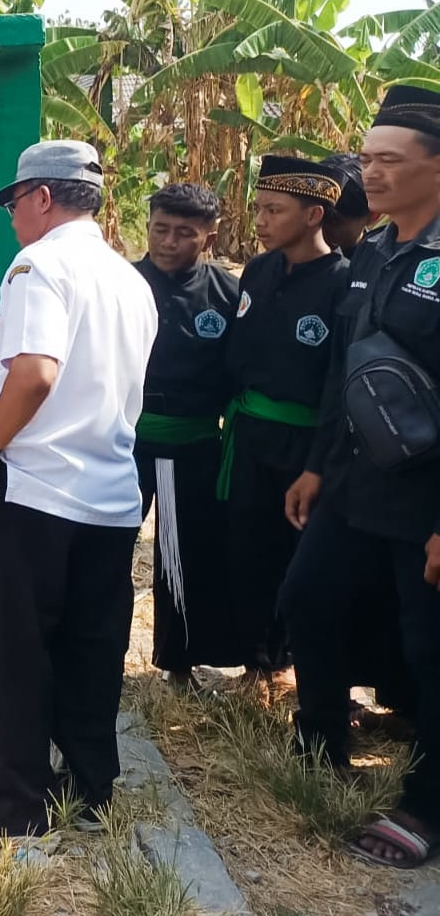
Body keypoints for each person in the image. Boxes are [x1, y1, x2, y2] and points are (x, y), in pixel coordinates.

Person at [0, 140, 157, 842]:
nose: (13, 217)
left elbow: (35, 371)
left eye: (16, 202)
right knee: (93, 648)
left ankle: (18, 802)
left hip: (37, 491)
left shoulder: (40, 265)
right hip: (111, 492)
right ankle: (91, 786)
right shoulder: (129, 279)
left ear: (43, 196)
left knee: (23, 652)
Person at [281, 84, 440, 869]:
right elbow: (342, 370)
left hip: (426, 497)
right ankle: (321, 745)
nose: (369, 173)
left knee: (431, 648)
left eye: (389, 160)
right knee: (307, 597)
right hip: (351, 483)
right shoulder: (373, 251)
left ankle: (427, 801)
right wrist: (315, 464)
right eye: (367, 158)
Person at [220, 156, 349, 681]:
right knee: (250, 549)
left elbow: (338, 383)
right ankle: (258, 664)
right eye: (259, 208)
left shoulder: (344, 283)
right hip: (250, 435)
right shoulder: (258, 269)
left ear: (314, 214)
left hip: (306, 443)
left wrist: (319, 463)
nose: (262, 221)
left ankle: (303, 667)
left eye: (274, 210)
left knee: (301, 556)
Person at [133, 184, 242, 688]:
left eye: (184, 233)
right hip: (123, 442)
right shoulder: (122, 284)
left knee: (179, 556)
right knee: (106, 551)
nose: (169, 241)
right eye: (161, 229)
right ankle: (95, 656)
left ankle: (177, 665)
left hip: (194, 444)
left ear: (209, 236)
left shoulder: (227, 293)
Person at [320, 153, 379, 257]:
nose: (318, 230)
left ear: (373, 215)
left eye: (332, 221)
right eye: (310, 215)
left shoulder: (376, 267)